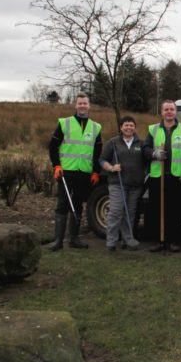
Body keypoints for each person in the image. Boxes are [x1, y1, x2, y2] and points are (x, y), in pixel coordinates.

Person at [48, 92, 102, 251]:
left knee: (77, 204)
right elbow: (52, 146)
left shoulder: (96, 127)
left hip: (84, 172)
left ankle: (74, 238)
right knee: (63, 204)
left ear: (89, 105)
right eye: (80, 103)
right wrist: (56, 165)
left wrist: (95, 171)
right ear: (75, 105)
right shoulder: (65, 123)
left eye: (85, 103)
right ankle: (58, 240)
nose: (82, 106)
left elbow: (98, 151)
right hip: (66, 171)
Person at [143, 100, 181, 253]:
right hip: (158, 176)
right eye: (166, 109)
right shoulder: (153, 130)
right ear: (162, 112)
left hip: (176, 176)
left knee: (175, 210)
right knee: (155, 210)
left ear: (175, 111)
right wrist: (153, 154)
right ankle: (159, 240)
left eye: (172, 109)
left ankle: (174, 241)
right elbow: (145, 149)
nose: (169, 112)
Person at [98, 116, 143, 251]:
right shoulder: (113, 143)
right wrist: (112, 168)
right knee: (116, 211)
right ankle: (111, 241)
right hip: (117, 183)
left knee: (130, 213)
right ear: (121, 128)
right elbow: (102, 160)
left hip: (135, 185)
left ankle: (127, 239)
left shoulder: (141, 143)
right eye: (126, 125)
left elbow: (147, 160)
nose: (129, 127)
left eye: (131, 125)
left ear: (134, 127)